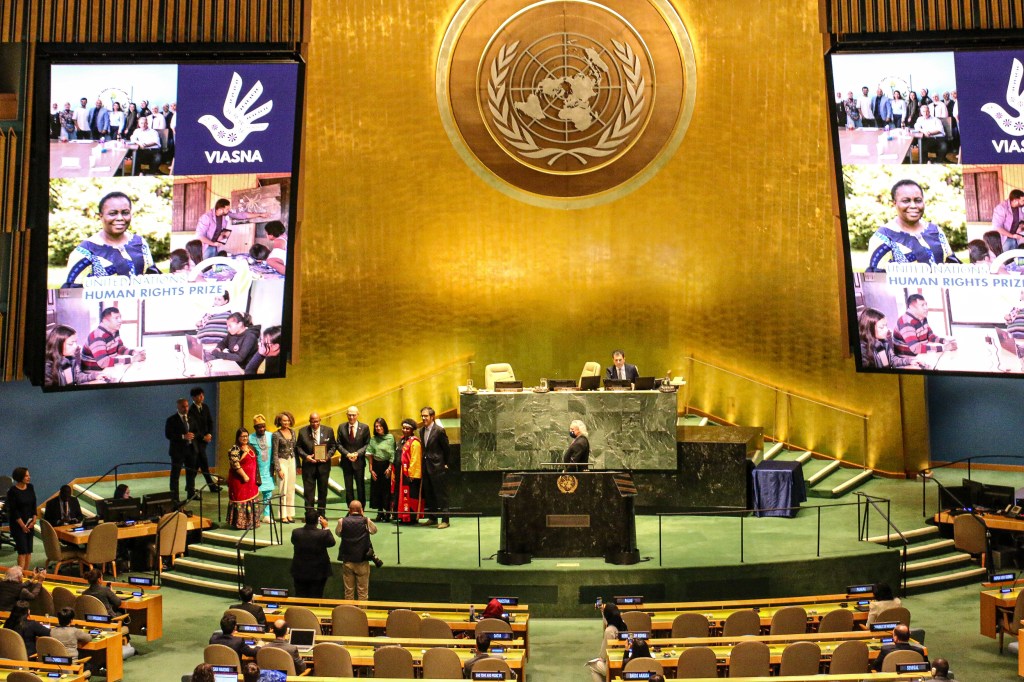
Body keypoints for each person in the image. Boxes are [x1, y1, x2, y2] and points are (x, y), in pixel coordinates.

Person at [64, 192, 158, 286]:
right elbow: (72, 291)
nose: (120, 218)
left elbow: (154, 278)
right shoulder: (84, 252)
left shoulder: (140, 243)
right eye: (113, 213)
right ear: (101, 216)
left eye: (125, 213)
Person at [866, 179, 960, 272]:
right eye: (906, 201)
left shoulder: (935, 231)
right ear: (894, 203)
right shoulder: (883, 237)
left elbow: (953, 264)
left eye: (918, 200)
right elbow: (877, 279)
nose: (913, 205)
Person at [195, 198, 269, 259]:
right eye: (227, 209)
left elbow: (242, 215)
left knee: (214, 265)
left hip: (216, 246)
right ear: (220, 209)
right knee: (205, 267)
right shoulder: (206, 217)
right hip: (206, 247)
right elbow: (199, 236)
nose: (228, 210)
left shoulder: (224, 214)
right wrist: (213, 243)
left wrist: (260, 215)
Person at [80, 306, 146, 372]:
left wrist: (133, 352)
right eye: (116, 318)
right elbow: (103, 362)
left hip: (107, 369)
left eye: (120, 317)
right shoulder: (97, 336)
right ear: (105, 321)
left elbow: (119, 348)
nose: (120, 321)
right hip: (94, 374)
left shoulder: (114, 331)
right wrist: (132, 359)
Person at [336, 500, 379, 600]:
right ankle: (362, 614)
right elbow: (374, 531)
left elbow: (338, 533)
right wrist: (364, 517)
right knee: (363, 592)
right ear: (361, 510)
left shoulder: (342, 521)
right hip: (362, 561)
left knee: (348, 592)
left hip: (347, 560)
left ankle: (350, 615)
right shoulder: (366, 521)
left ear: (349, 510)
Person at [296, 413, 336, 516]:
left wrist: (327, 456)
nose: (315, 423)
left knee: (323, 492)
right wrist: (306, 457)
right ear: (309, 421)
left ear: (320, 420)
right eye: (313, 421)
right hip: (308, 467)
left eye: (317, 421)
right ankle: (309, 515)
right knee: (309, 493)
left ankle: (321, 515)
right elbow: (298, 447)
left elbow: (333, 446)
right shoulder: (303, 431)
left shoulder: (328, 430)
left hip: (324, 467)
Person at [290, 510, 335, 599]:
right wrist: (326, 527)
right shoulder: (323, 534)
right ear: (318, 521)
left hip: (300, 571)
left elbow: (293, 541)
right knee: (316, 597)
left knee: (300, 596)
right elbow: (331, 543)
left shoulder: (296, 532)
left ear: (305, 519)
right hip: (318, 573)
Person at [858, 308, 922, 369]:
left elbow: (892, 360)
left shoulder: (883, 342)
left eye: (886, 325)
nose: (886, 330)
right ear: (869, 329)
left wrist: (910, 361)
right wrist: (906, 368)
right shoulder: (862, 350)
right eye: (881, 327)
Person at [419, 406, 451, 529]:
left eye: (426, 416)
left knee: (441, 494)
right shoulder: (421, 431)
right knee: (429, 493)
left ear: (432, 417)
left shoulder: (439, 430)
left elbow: (446, 448)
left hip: (438, 467)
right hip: (426, 467)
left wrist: (445, 463)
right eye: (422, 416)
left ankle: (445, 520)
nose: (423, 418)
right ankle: (432, 518)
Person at [189, 387, 222, 493]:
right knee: (203, 463)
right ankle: (210, 486)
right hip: (196, 442)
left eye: (202, 394)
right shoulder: (191, 410)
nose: (202, 397)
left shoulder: (205, 407)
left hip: (204, 441)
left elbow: (210, 422)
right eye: (199, 395)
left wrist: (209, 434)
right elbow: (192, 428)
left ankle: (190, 486)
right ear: (193, 398)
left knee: (199, 464)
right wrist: (203, 437)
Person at [166, 397, 199, 502]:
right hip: (177, 451)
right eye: (183, 406)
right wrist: (183, 437)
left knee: (191, 473)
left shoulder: (192, 418)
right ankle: (175, 498)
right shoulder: (171, 420)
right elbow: (168, 434)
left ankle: (191, 493)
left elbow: (197, 431)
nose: (186, 408)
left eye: (187, 406)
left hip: (191, 450)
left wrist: (193, 435)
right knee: (175, 475)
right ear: (178, 407)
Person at [227, 427, 261, 529]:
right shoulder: (235, 449)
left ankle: (252, 522)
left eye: (246, 436)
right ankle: (240, 523)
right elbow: (235, 464)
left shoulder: (251, 447)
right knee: (241, 499)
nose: (245, 438)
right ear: (238, 438)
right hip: (240, 480)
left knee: (251, 499)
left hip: (252, 481)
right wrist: (244, 476)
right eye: (242, 436)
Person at [586, 602, 627, 682]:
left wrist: (600, 659)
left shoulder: (609, 631)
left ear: (607, 615)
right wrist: (602, 610)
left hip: (613, 666)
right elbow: (607, 622)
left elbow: (604, 655)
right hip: (625, 663)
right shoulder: (623, 623)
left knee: (592, 665)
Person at [338, 406, 370, 505]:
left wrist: (357, 453)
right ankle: (350, 509)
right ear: (346, 415)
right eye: (349, 415)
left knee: (360, 487)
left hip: (359, 462)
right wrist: (347, 454)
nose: (351, 417)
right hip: (346, 462)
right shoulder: (341, 427)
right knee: (348, 488)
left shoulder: (364, 427)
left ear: (358, 415)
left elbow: (367, 444)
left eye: (354, 415)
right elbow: (338, 444)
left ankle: (361, 509)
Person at [392, 418, 423, 523]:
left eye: (407, 428)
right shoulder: (401, 441)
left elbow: (415, 459)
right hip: (399, 473)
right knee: (400, 495)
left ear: (412, 430)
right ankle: (401, 516)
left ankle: (411, 518)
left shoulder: (415, 443)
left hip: (409, 475)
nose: (405, 430)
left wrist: (411, 474)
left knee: (410, 496)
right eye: (403, 428)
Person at [6, 467, 37, 569]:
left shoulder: (30, 487)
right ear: (20, 477)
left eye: (29, 475)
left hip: (30, 523)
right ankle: (20, 575)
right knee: (22, 551)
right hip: (18, 525)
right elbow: (13, 511)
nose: (29, 477)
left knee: (28, 551)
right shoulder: (12, 491)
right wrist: (22, 525)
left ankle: (26, 574)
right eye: (26, 476)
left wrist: (34, 519)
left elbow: (34, 504)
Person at [251, 414, 278, 522]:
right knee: (254, 494)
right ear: (255, 428)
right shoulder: (250, 438)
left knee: (268, 492)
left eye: (263, 426)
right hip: (256, 470)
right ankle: (254, 515)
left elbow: (275, 451)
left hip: (268, 469)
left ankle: (267, 515)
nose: (262, 428)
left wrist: (274, 466)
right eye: (259, 427)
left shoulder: (271, 436)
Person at [367, 418, 395, 521]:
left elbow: (392, 453)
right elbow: (370, 453)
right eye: (376, 426)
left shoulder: (390, 438)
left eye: (380, 426)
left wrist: (389, 467)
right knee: (376, 489)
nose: (378, 428)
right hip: (376, 465)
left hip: (386, 466)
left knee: (386, 489)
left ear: (384, 426)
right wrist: (371, 469)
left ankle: (387, 512)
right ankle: (380, 512)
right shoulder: (373, 439)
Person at [273, 411, 298, 523]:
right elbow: (274, 453)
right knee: (283, 488)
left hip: (292, 460)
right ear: (279, 421)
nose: (286, 422)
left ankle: (290, 514)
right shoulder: (276, 434)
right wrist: (278, 469)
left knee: (290, 488)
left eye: (288, 420)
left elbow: (295, 448)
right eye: (284, 420)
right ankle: (283, 515)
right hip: (282, 461)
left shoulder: (293, 432)